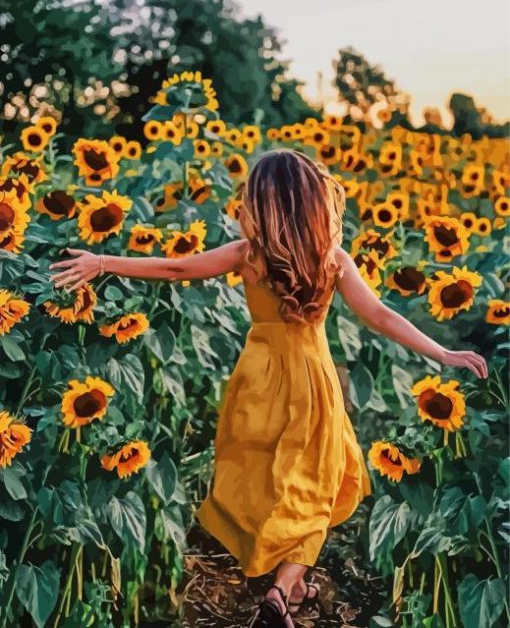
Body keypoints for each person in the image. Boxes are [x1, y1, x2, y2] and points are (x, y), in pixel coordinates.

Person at [49, 148, 488, 627]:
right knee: (317, 486)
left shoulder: (248, 254)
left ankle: (290, 586)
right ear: (313, 200)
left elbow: (175, 269)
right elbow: (380, 315)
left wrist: (102, 261)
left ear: (261, 203)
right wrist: (441, 353)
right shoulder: (331, 258)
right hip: (312, 381)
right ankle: (283, 589)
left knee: (265, 478)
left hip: (257, 379)